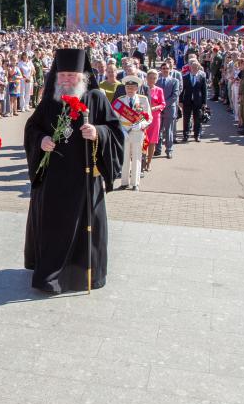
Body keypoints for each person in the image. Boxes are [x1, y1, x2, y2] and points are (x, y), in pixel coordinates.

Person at [24, 48, 123, 293]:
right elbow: (32, 128)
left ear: (83, 76)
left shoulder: (96, 98)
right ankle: (50, 277)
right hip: (53, 181)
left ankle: (82, 276)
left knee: (84, 229)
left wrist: (98, 132)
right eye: (63, 75)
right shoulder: (50, 99)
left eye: (71, 75)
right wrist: (41, 140)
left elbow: (115, 131)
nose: (67, 80)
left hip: (84, 179)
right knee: (53, 228)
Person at [114, 75, 152, 190]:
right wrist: (121, 130)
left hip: (137, 132)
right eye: (127, 87)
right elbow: (114, 118)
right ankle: (124, 182)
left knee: (136, 157)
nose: (130, 90)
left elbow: (149, 117)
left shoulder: (143, 100)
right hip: (124, 132)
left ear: (137, 88)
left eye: (132, 87)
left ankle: (135, 183)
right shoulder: (119, 101)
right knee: (124, 157)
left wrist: (141, 124)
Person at [144, 69, 166, 172]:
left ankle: (149, 162)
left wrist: (154, 108)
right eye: (150, 78)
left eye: (154, 78)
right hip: (143, 117)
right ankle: (142, 161)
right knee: (143, 139)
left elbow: (163, 104)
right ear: (147, 78)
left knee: (152, 140)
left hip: (155, 117)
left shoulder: (159, 90)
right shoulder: (142, 88)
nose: (152, 80)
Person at [156, 63, 180, 159]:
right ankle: (158, 149)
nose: (165, 70)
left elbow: (175, 96)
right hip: (158, 109)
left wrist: (163, 104)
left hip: (170, 109)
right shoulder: (157, 81)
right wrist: (158, 106)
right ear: (161, 70)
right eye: (163, 68)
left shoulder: (175, 81)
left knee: (168, 131)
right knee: (158, 130)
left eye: (167, 68)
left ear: (170, 69)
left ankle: (169, 150)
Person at [181, 59, 207, 142]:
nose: (194, 69)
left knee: (197, 119)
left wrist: (204, 102)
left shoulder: (202, 77)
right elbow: (182, 90)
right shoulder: (185, 77)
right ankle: (186, 135)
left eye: (196, 67)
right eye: (193, 67)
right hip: (187, 100)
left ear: (198, 68)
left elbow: (204, 90)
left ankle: (197, 135)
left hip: (198, 101)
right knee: (186, 119)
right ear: (190, 68)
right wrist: (180, 101)